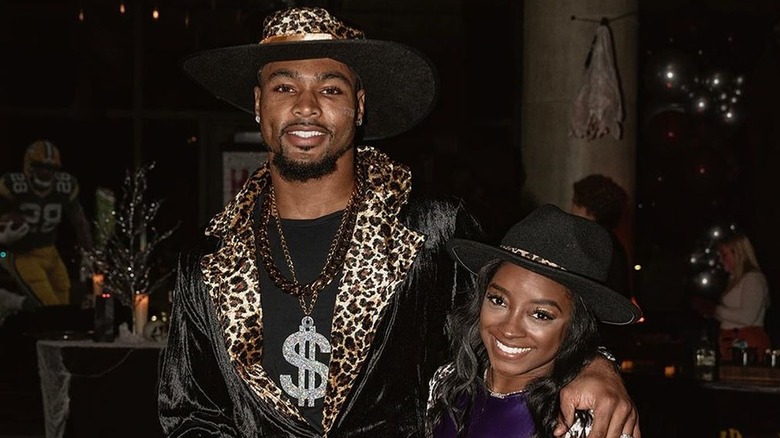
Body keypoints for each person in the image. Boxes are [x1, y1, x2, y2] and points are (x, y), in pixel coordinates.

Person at [158, 6, 640, 437]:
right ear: (259, 104)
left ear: (360, 106)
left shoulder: (433, 230)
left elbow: (524, 318)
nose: (306, 106)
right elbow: (190, 414)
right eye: (285, 86)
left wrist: (596, 366)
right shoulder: (207, 263)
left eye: (330, 88)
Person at [426, 204, 642, 438]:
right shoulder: (448, 382)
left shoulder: (584, 419)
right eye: (498, 300)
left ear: (574, 328)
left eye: (540, 314)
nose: (509, 329)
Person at [0, 139, 93, 307]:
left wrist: (88, 253)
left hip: (51, 252)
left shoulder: (64, 186)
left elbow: (80, 221)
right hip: (23, 253)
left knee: (64, 302)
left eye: (50, 168)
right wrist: (2, 238)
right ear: (29, 165)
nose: (45, 173)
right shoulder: (13, 185)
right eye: (40, 167)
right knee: (49, 305)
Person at [692, 232, 771, 363]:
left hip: (748, 346)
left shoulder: (753, 279)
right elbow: (730, 316)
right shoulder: (735, 280)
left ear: (738, 253)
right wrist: (709, 310)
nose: (721, 261)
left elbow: (747, 317)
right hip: (734, 343)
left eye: (724, 255)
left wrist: (715, 310)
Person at [570, 174, 630, 298]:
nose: (571, 209)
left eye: (576, 203)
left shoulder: (588, 241)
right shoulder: (615, 245)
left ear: (588, 208)